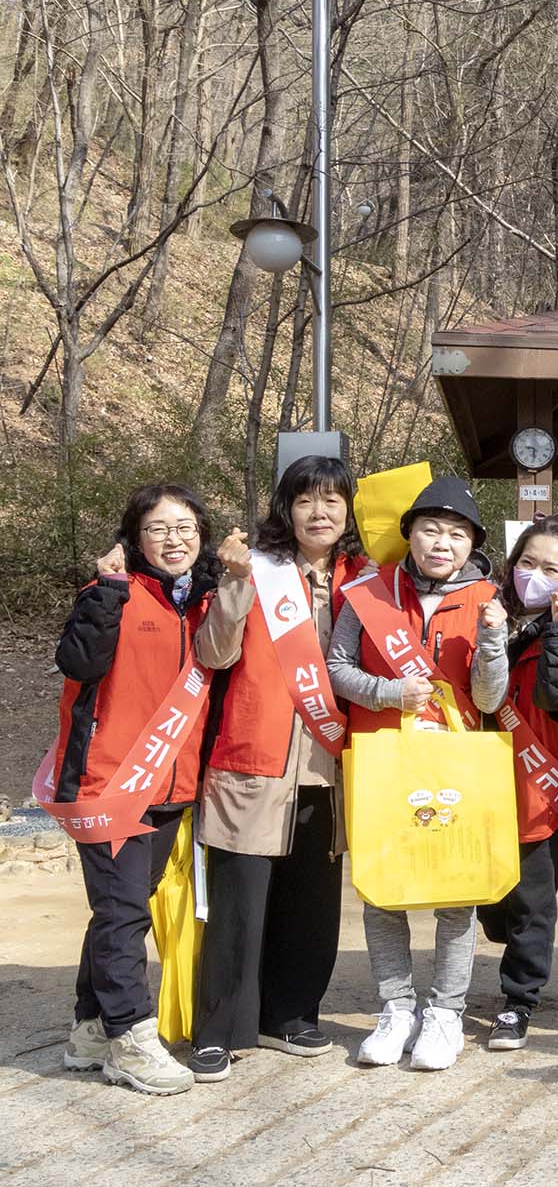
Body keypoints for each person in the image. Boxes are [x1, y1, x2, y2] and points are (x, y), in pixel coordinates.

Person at [188, 458, 369, 1082]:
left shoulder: (364, 580)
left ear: (348, 511)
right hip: (255, 757)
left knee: (312, 900)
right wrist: (235, 583)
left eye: (332, 502)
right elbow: (214, 652)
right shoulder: (255, 569)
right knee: (240, 901)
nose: (320, 513)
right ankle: (220, 1029)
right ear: (285, 509)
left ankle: (291, 1013)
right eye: (306, 501)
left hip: (330, 760)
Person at [327, 476, 507, 1072]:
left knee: (457, 892)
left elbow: (488, 697)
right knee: (384, 889)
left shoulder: (487, 598)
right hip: (382, 758)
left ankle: (446, 1014)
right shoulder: (367, 595)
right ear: (409, 535)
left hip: (454, 758)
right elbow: (336, 668)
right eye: (430, 529)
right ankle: (395, 1008)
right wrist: (387, 693)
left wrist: (492, 646)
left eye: (457, 534)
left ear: (472, 544)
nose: (442, 542)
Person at [53, 484, 221, 1096]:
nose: (173, 538)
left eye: (185, 526)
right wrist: (107, 594)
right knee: (123, 911)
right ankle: (130, 1038)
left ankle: (90, 1026)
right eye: (158, 528)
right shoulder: (112, 594)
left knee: (123, 909)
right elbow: (77, 662)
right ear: (135, 537)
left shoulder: (204, 604)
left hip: (172, 785)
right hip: (110, 780)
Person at [475, 514, 558, 1052]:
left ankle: (518, 1000)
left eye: (551, 568)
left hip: (538, 787)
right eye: (527, 562)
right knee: (492, 909)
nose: (535, 575)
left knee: (531, 904)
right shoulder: (488, 616)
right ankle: (511, 955)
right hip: (480, 782)